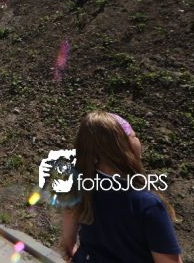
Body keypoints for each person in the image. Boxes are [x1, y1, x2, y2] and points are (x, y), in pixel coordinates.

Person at [60, 111, 183, 262]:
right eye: (133, 136)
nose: (138, 140)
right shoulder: (147, 204)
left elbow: (68, 243)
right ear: (121, 146)